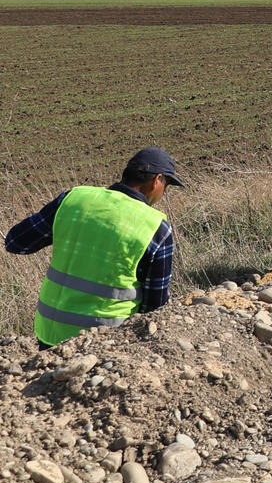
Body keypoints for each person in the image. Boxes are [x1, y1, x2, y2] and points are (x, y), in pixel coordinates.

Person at [6, 148, 181, 347]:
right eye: (166, 185)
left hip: (50, 332)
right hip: (106, 341)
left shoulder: (74, 199)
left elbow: (16, 243)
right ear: (157, 180)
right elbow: (155, 306)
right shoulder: (156, 228)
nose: (163, 193)